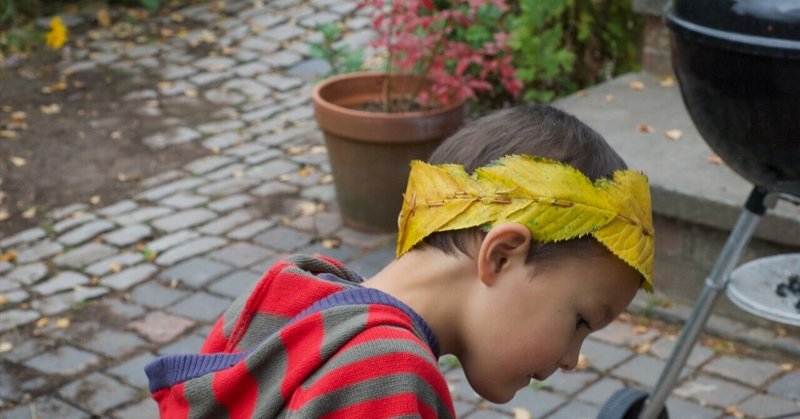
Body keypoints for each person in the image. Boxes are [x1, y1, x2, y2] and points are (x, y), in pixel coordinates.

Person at [144, 104, 654, 418]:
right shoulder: (387, 376)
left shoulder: (290, 290)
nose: (570, 359)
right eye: (581, 321)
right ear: (501, 255)